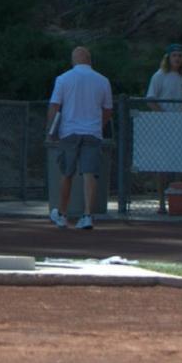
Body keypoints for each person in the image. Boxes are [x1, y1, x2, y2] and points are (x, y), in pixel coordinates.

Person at [46, 46, 114, 230]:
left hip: (69, 131)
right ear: (89, 60)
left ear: (73, 60)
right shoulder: (103, 80)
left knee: (66, 173)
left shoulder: (63, 79)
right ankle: (87, 215)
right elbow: (108, 109)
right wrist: (99, 125)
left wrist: (52, 130)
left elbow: (55, 105)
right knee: (89, 173)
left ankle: (62, 214)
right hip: (92, 132)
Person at [146, 43, 182, 214]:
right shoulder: (159, 76)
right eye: (174, 55)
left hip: (179, 126)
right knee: (162, 165)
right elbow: (150, 100)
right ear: (168, 58)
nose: (177, 58)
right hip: (163, 127)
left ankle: (177, 201)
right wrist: (164, 117)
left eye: (180, 55)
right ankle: (161, 202)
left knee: (180, 164)